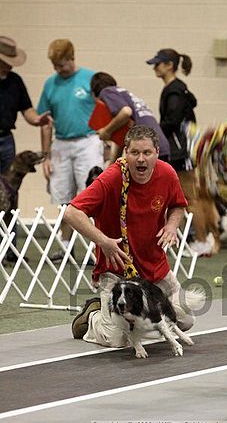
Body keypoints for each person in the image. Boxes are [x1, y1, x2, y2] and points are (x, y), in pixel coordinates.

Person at [64, 125, 194, 347]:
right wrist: (103, 241)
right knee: (117, 340)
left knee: (184, 321)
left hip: (155, 269)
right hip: (118, 273)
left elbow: (177, 206)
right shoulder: (111, 178)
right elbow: (71, 212)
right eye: (135, 153)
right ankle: (93, 315)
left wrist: (172, 226)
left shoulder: (167, 174)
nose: (141, 159)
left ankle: (131, 318)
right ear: (126, 152)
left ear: (156, 153)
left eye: (147, 153)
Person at [37, 39, 104, 262]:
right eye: (55, 66)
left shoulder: (89, 79)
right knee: (62, 196)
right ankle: (64, 246)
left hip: (88, 140)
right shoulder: (50, 84)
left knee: (93, 193)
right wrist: (45, 155)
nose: (58, 69)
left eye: (62, 64)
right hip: (61, 144)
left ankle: (99, 246)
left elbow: (106, 109)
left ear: (72, 58)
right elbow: (45, 122)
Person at [146, 49, 215, 256]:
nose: (154, 68)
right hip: (179, 150)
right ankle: (193, 239)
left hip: (181, 151)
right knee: (184, 197)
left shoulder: (174, 90)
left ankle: (202, 241)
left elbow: (172, 121)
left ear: (169, 65)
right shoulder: (176, 89)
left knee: (190, 198)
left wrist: (154, 132)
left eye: (158, 64)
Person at [0, 36, 52, 262]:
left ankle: (9, 248)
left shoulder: (15, 81)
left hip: (5, 141)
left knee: (11, 196)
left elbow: (28, 111)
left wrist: (38, 120)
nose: (10, 64)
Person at [90, 72, 170, 165]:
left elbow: (126, 112)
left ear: (94, 92)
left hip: (147, 150)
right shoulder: (123, 94)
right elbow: (123, 137)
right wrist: (113, 165)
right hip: (159, 147)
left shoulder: (107, 92)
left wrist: (106, 131)